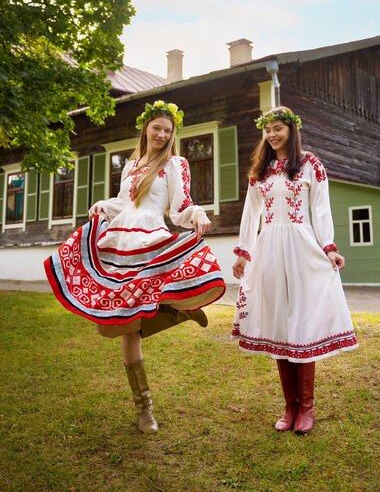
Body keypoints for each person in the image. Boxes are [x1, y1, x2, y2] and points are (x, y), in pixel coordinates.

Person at [45, 100, 225, 434]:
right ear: (145, 128)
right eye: (157, 128)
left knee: (127, 325)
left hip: (149, 239)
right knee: (115, 327)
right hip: (118, 242)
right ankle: (146, 399)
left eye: (168, 130)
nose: (162, 134)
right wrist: (103, 204)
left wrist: (197, 213)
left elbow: (179, 206)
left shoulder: (175, 163)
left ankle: (147, 410)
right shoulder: (131, 166)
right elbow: (123, 203)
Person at [231, 106, 358, 434]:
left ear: (291, 130)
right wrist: (244, 252)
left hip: (301, 246)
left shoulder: (310, 164)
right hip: (270, 248)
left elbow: (321, 208)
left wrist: (328, 247)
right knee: (278, 324)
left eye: (278, 129)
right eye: (268, 130)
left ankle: (307, 408)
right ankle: (289, 407)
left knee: (300, 323)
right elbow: (251, 212)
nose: (272, 135)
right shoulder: (261, 169)